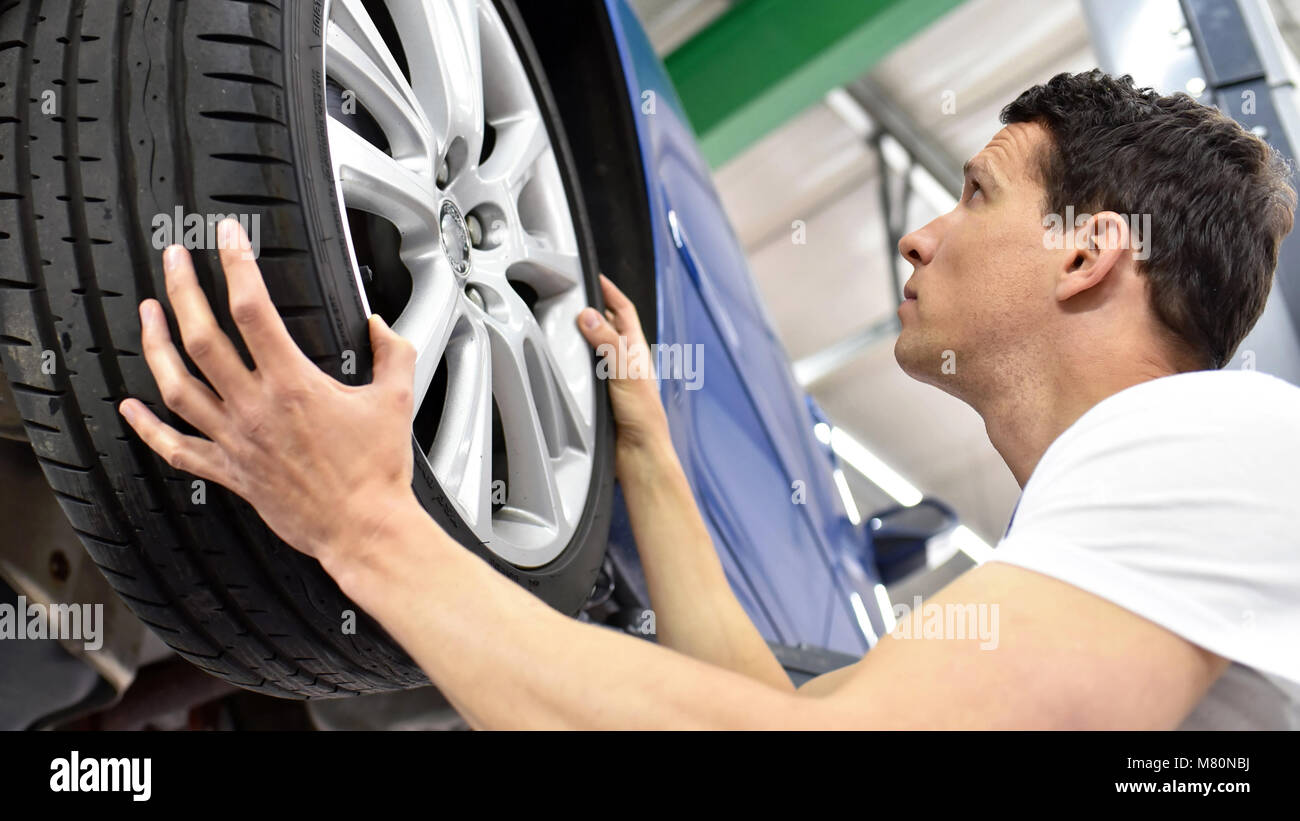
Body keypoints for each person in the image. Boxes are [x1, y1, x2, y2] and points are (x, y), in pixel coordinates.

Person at [118, 70, 1300, 729]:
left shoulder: (1211, 442)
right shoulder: (1157, 511)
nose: (918, 232)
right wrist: (648, 452)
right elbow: (771, 707)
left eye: (976, 193)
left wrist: (360, 523)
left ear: (1088, 254)